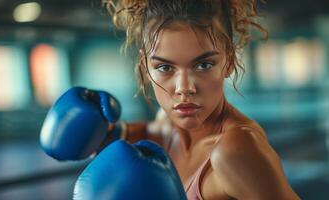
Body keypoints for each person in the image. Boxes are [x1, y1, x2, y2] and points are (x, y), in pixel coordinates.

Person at [100, 0, 300, 199]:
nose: (184, 89)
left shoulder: (234, 151)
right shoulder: (166, 126)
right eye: (165, 67)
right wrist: (105, 132)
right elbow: (148, 131)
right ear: (145, 65)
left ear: (229, 60)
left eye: (203, 65)